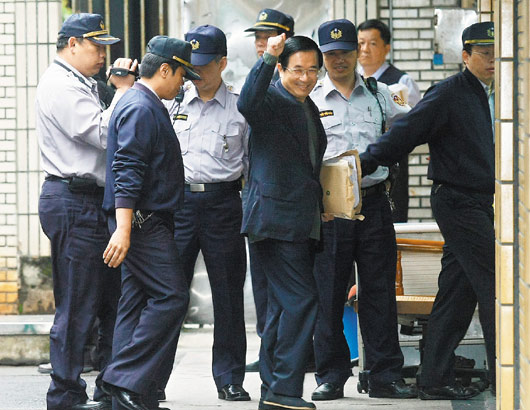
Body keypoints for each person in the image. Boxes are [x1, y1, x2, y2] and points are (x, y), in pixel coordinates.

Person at [360, 21, 495, 400]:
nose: (492, 61)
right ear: (465, 56)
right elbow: (407, 131)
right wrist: (365, 162)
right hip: (457, 201)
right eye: (484, 54)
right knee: (494, 283)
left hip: (481, 201)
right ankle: (507, 373)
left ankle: (434, 376)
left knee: (459, 289)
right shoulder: (449, 93)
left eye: (497, 54)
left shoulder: (496, 93)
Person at [310, 19, 416, 401]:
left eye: (345, 52)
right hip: (330, 209)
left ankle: (384, 374)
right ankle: (331, 375)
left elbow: (409, 126)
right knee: (328, 294)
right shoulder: (312, 97)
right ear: (323, 57)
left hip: (373, 202)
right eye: (331, 54)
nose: (339, 60)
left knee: (379, 292)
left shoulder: (380, 93)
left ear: (357, 52)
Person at [36, 13, 136, 410]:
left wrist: (114, 89)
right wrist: (126, 92)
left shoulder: (83, 82)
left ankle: (107, 390)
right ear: (73, 44)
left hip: (91, 201)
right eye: (96, 47)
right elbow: (102, 132)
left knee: (109, 301)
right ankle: (65, 394)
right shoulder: (59, 84)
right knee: (78, 304)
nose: (103, 55)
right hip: (73, 200)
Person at [98, 35, 200, 410]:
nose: (184, 83)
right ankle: (120, 379)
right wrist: (124, 229)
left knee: (135, 303)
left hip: (143, 221)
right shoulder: (141, 106)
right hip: (143, 223)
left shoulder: (141, 102)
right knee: (172, 297)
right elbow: (126, 169)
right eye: (182, 75)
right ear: (165, 70)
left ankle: (127, 395)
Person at [237, 34, 326, 410]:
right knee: (301, 301)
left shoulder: (307, 106)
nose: (305, 78)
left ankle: (273, 388)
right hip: (275, 220)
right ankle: (285, 390)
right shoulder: (271, 100)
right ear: (280, 69)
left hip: (297, 221)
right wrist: (266, 57)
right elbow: (246, 102)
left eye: (312, 70)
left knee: (280, 306)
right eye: (297, 70)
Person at [166, 24, 250, 401]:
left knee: (228, 297)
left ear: (223, 63)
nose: (196, 72)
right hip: (179, 206)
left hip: (223, 205)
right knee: (168, 294)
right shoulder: (172, 102)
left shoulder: (241, 108)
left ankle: (229, 378)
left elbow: (252, 163)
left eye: (204, 64)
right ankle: (153, 378)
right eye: (191, 65)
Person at [243, 11, 295, 367]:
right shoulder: (256, 77)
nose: (262, 43)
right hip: (258, 198)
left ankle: (291, 352)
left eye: (269, 37)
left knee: (293, 286)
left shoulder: (298, 81)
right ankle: (269, 352)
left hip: (292, 200)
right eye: (258, 38)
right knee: (262, 283)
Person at [357, 19, 422, 223]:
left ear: (387, 48)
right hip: (357, 169)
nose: (365, 49)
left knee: (391, 225)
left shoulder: (402, 82)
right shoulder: (350, 81)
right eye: (360, 43)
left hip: (392, 169)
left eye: (372, 43)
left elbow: (414, 127)